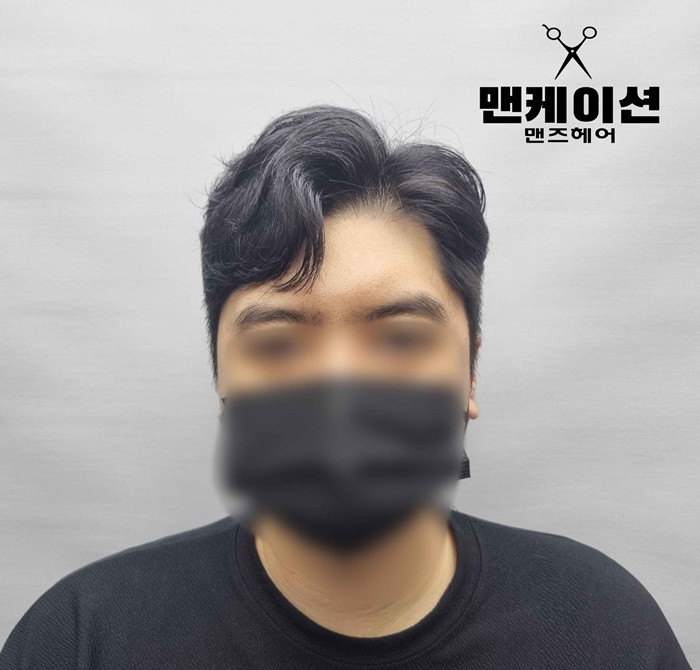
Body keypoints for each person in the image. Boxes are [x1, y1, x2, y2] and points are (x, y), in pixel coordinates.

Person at [0, 104, 692, 669]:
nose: (339, 382)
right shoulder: (84, 639)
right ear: (221, 382)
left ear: (470, 373)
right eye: (279, 344)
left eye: (400, 338)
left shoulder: (602, 630)